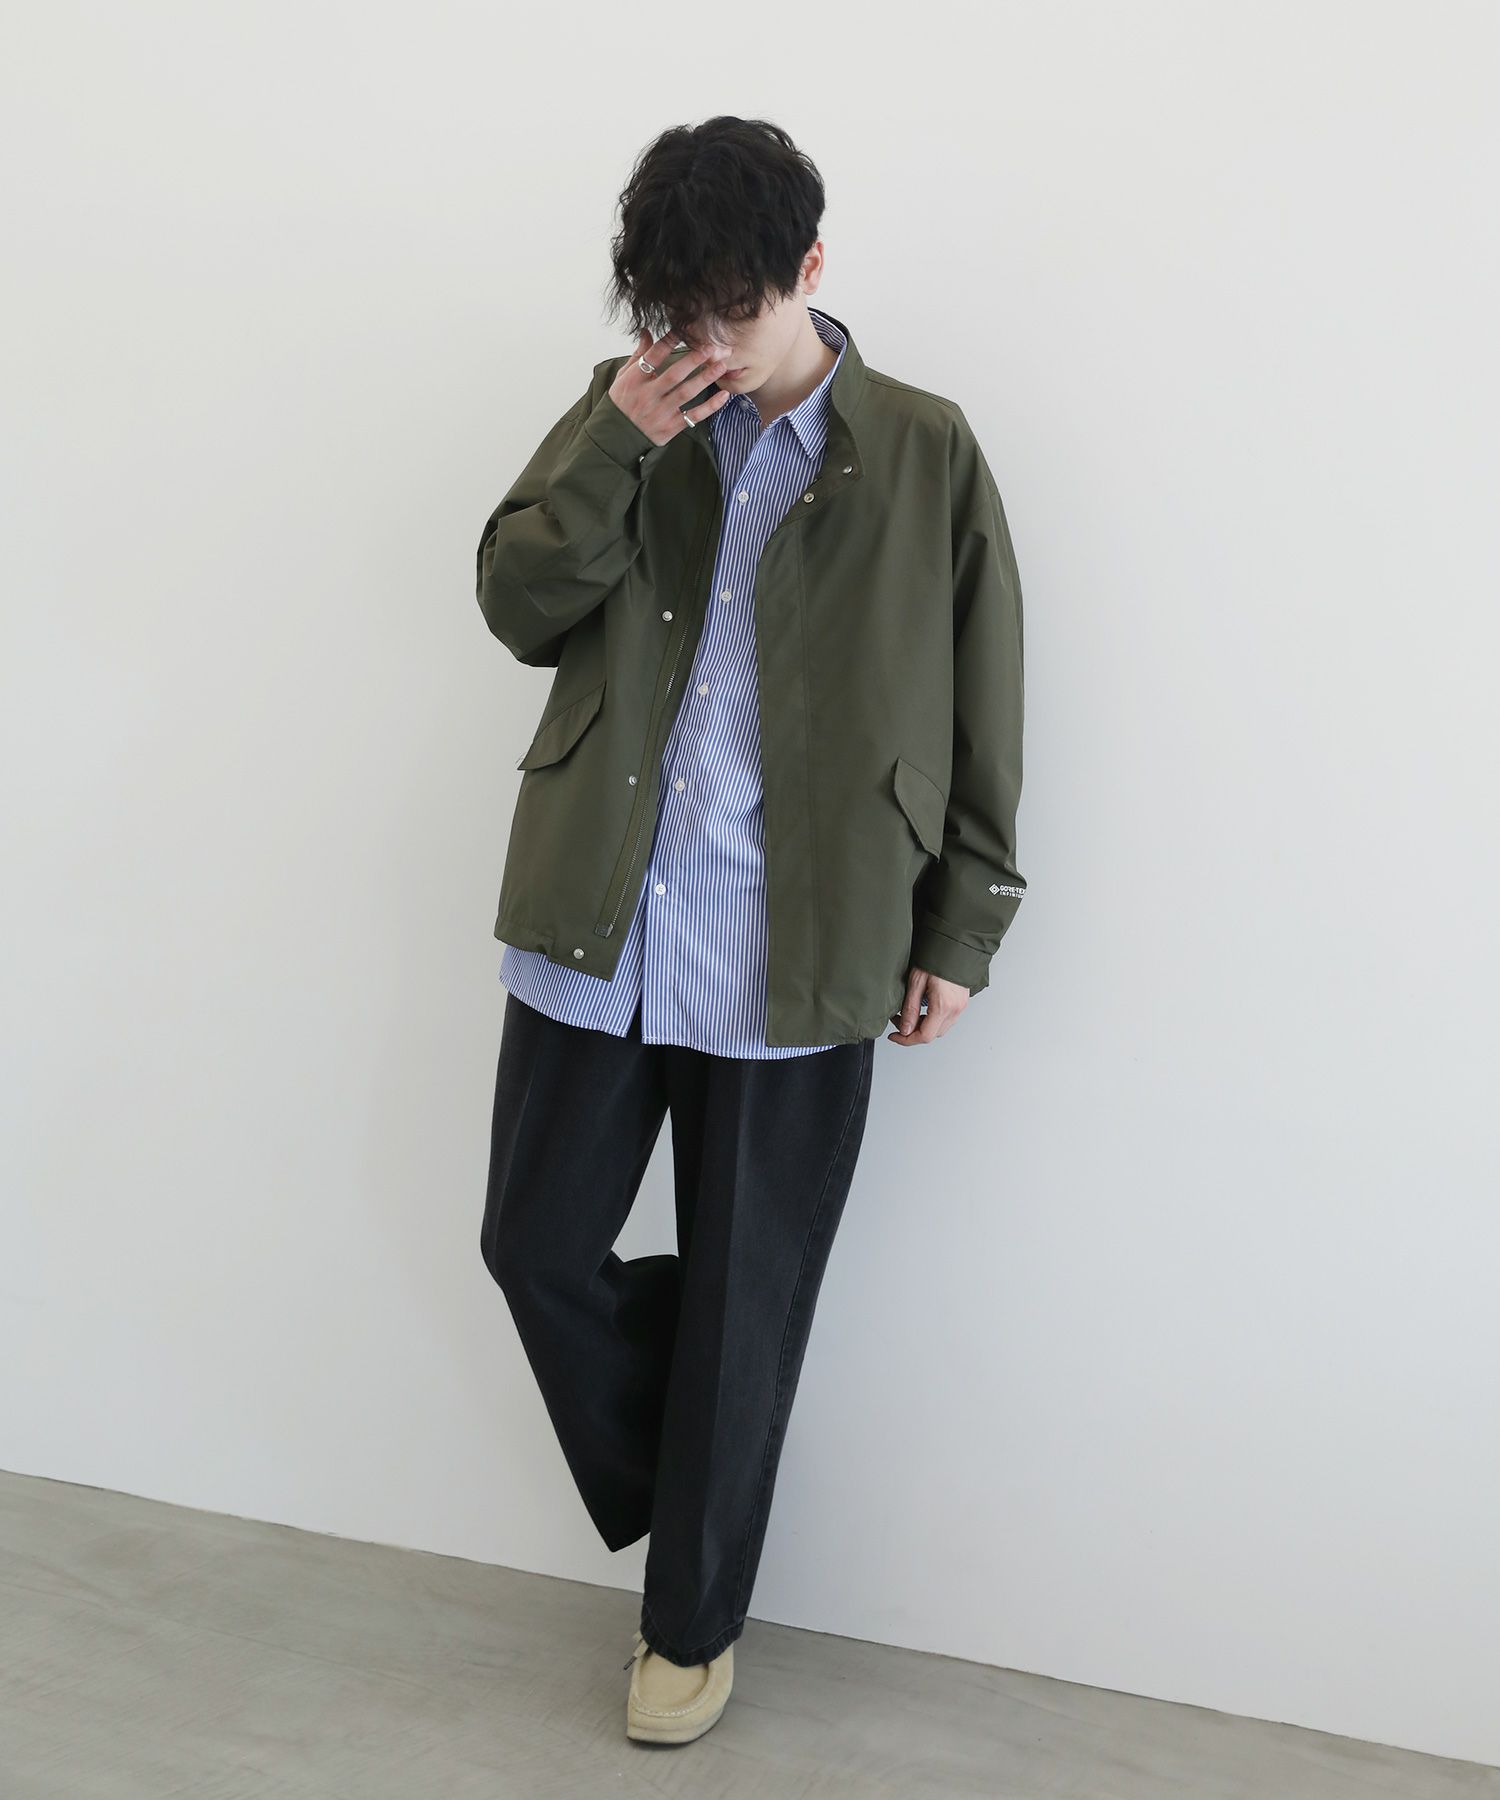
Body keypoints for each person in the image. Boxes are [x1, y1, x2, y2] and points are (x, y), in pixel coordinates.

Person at [474, 114, 1026, 1745]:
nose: (701, 342)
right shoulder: (623, 411)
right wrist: (614, 445)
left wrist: (964, 924)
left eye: (733, 307)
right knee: (534, 1246)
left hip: (808, 939)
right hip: (603, 923)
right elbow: (515, 606)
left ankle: (689, 1629)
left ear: (811, 267)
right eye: (675, 313)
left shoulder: (922, 447)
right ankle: (710, 1448)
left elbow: (985, 700)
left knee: (746, 1294)